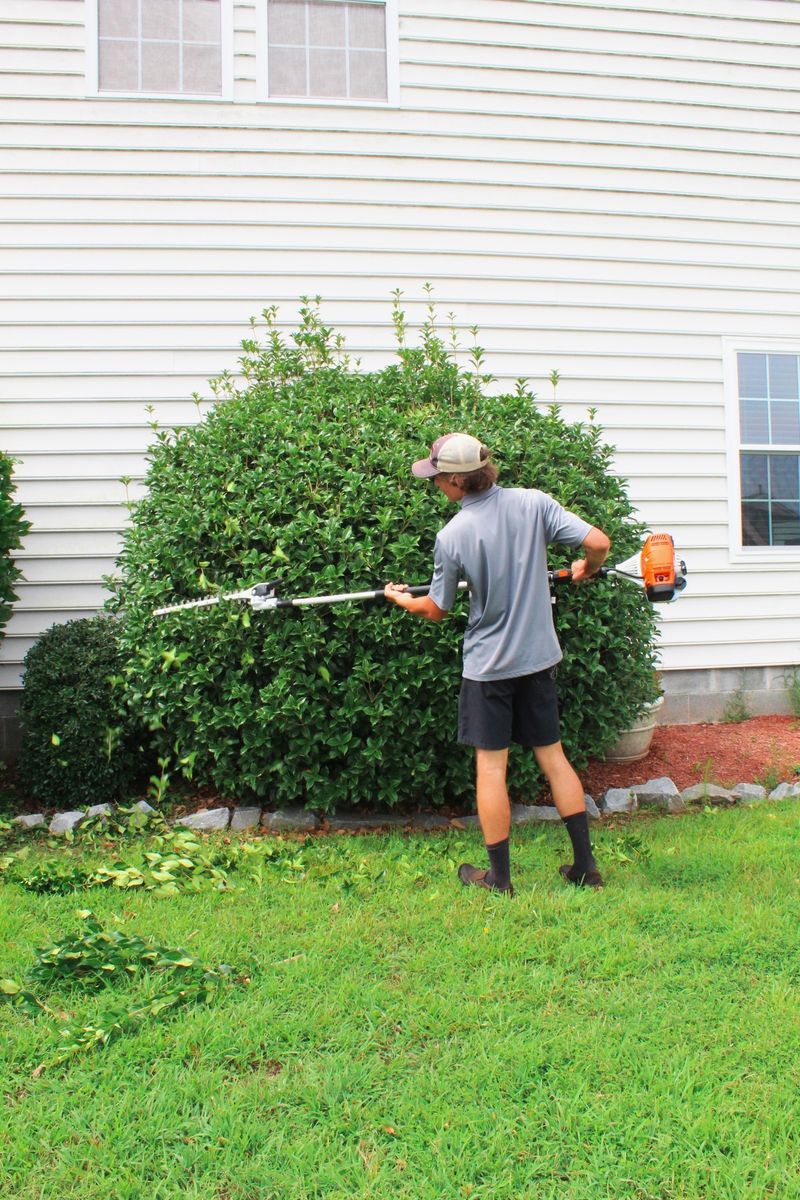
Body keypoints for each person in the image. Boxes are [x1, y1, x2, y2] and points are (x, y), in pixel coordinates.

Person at [384, 432, 610, 895]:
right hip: (537, 659)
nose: (435, 486)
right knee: (553, 757)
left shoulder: (453, 535)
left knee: (491, 769)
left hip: (488, 669)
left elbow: (436, 609)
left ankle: (499, 879)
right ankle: (585, 867)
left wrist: (400, 600)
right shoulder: (534, 504)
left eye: (437, 479)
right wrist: (587, 566)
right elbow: (599, 542)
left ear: (454, 481)